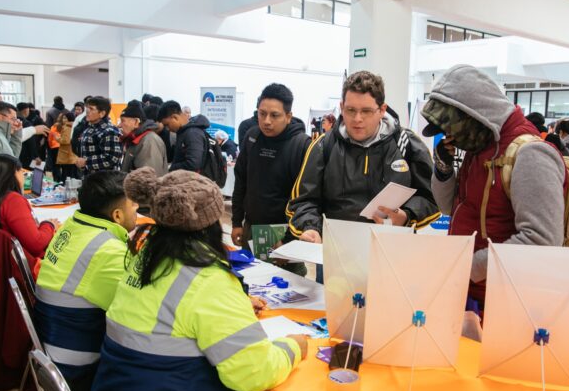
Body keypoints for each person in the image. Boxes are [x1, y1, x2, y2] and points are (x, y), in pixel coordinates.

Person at [88, 168, 306, 391]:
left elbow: (172, 308)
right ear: (212, 225)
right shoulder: (208, 278)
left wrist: (231, 305)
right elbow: (254, 375)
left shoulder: (144, 258)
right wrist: (293, 346)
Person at [422, 64, 566, 308]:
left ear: (472, 116)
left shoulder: (531, 154)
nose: (449, 137)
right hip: (469, 291)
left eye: (450, 128)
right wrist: (443, 167)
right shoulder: (481, 146)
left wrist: (469, 267)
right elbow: (449, 208)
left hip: (505, 301)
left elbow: (542, 241)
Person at [287, 70, 440, 245]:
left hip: (392, 250)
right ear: (341, 107)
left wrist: (407, 216)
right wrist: (310, 228)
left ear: (382, 110)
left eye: (366, 111)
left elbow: (432, 198)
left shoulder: (408, 144)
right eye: (350, 110)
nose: (357, 119)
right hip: (335, 251)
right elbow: (303, 201)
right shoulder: (323, 146)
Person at [34, 170, 138, 391]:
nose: (137, 207)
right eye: (133, 203)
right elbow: (137, 312)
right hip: (78, 369)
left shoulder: (73, 225)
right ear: (117, 215)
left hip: (53, 347)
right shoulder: (107, 251)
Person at [231, 84, 312, 275]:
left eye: (274, 115)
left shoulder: (301, 145)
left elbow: (306, 198)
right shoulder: (252, 137)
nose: (267, 121)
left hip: (284, 234)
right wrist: (236, 222)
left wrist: (289, 240)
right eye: (262, 114)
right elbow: (241, 181)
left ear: (288, 116)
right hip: (251, 228)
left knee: (287, 283)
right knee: (249, 280)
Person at [0, 154, 59, 258]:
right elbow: (36, 243)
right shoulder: (12, 201)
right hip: (16, 262)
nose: (23, 175)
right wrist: (49, 225)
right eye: (21, 171)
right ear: (13, 174)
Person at [158, 100, 211, 173]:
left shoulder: (192, 133)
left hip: (194, 179)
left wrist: (171, 167)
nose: (167, 129)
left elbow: (193, 163)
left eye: (167, 125)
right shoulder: (184, 132)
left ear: (175, 117)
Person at [77, 96, 122, 175]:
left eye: (91, 109)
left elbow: (111, 158)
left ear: (102, 113)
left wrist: (86, 162)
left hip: (104, 179)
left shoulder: (109, 131)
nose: (87, 111)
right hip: (89, 176)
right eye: (87, 108)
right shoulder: (89, 128)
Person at [119, 103, 168, 177]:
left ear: (136, 122)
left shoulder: (149, 141)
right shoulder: (135, 140)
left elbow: (148, 179)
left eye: (123, 121)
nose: (119, 125)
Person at [53, 111, 80, 182]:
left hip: (66, 154)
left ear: (69, 119)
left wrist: (57, 138)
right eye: (63, 118)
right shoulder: (73, 126)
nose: (63, 120)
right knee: (72, 174)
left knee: (66, 174)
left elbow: (66, 141)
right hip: (71, 153)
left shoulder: (67, 127)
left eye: (65, 118)